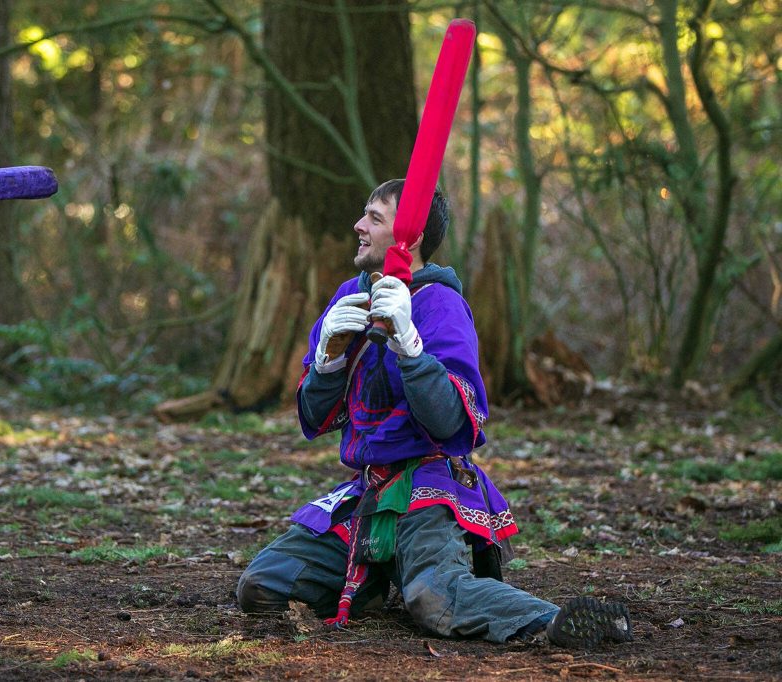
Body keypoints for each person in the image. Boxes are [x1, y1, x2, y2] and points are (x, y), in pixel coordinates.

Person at [236, 179, 632, 649]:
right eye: (365, 214)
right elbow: (314, 419)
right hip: (368, 492)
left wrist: (410, 348)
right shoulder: (348, 295)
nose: (359, 226)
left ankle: (552, 621)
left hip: (428, 487)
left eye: (375, 218)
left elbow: (451, 425)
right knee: (262, 584)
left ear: (411, 236)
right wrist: (327, 362)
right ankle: (373, 582)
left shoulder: (442, 305)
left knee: (433, 597)